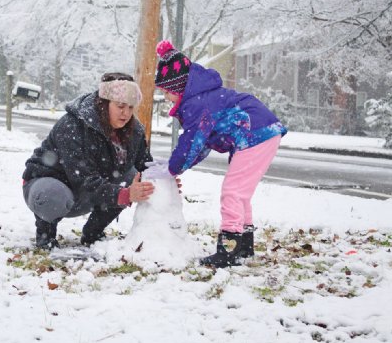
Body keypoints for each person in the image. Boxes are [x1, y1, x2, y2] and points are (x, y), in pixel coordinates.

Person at [154, 40, 287, 268]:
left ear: (179, 87)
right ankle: (244, 246)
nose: (166, 97)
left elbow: (192, 141)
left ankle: (228, 249)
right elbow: (201, 145)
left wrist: (172, 168)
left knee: (233, 192)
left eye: (167, 91)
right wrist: (178, 166)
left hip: (255, 133)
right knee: (240, 193)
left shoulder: (196, 103)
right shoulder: (201, 98)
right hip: (259, 131)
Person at [22, 72, 155, 249]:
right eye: (120, 106)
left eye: (131, 107)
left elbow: (145, 165)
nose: (126, 113)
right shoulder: (74, 125)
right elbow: (83, 179)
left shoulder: (134, 130)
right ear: (105, 103)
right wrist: (125, 194)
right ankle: (46, 235)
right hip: (49, 186)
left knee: (132, 176)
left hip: (89, 193)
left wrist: (161, 180)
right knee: (52, 194)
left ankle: (93, 233)